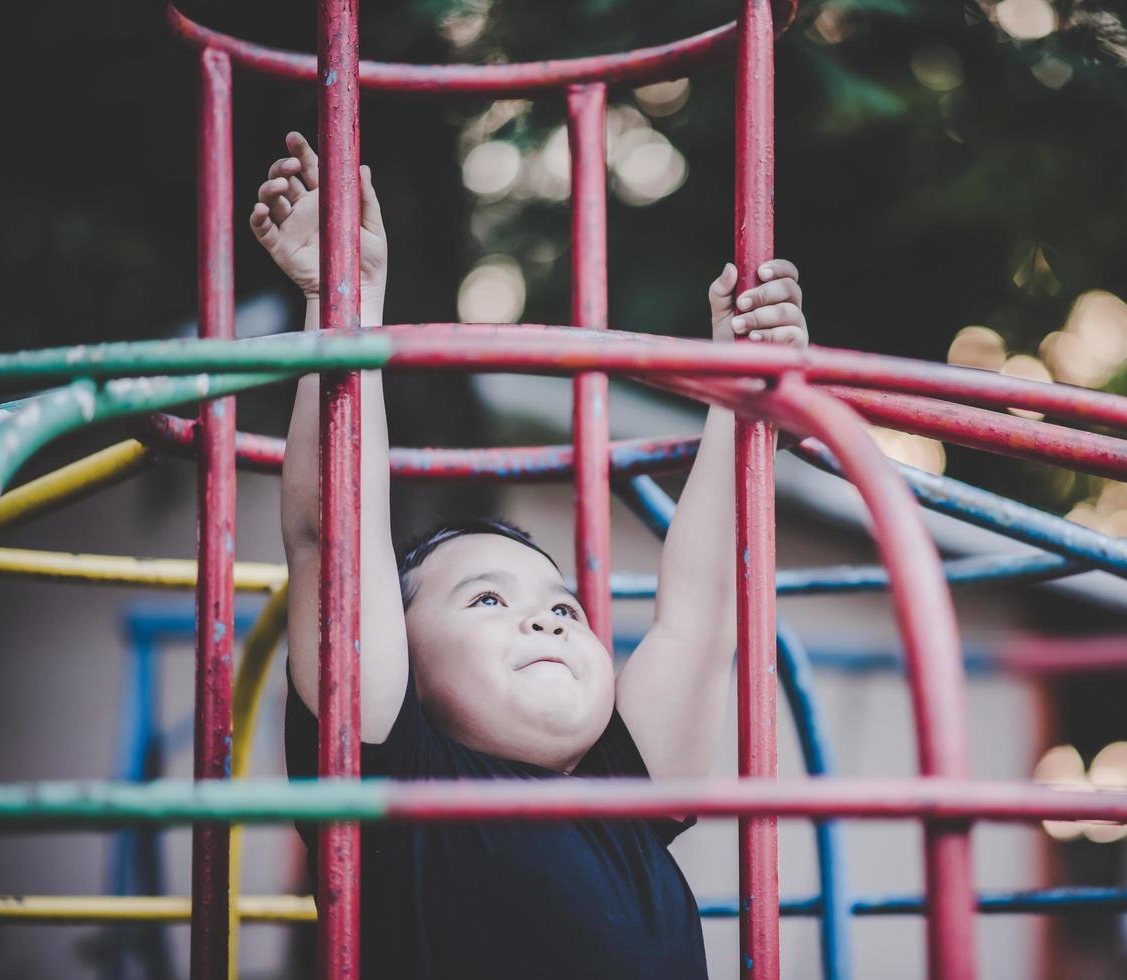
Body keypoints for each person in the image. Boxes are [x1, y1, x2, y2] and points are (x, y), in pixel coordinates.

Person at [250, 131, 808, 978]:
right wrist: (343, 303)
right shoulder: (399, 788)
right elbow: (333, 538)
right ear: (400, 659)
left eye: (564, 607)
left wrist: (745, 388)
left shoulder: (625, 792)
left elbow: (702, 613)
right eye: (485, 601)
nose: (544, 617)